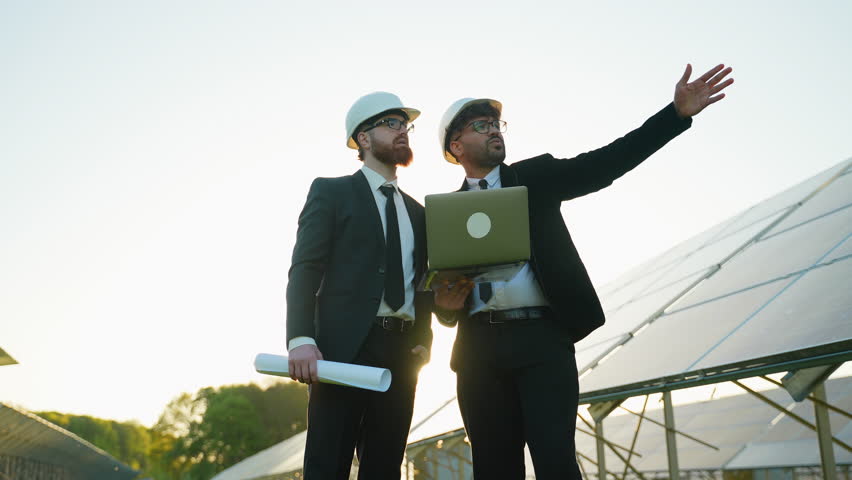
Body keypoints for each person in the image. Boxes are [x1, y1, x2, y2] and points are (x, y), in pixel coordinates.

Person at [434, 64, 734, 479]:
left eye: (496, 123)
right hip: (478, 352)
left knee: (556, 461)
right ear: (456, 145)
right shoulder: (442, 215)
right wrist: (445, 308)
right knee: (494, 468)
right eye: (480, 126)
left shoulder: (535, 177)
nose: (494, 130)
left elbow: (604, 164)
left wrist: (675, 115)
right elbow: (437, 290)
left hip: (543, 342)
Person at [285, 91, 433, 479]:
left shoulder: (419, 213)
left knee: (384, 468)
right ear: (363, 138)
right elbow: (305, 267)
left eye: (406, 125)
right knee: (327, 465)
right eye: (392, 123)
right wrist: (301, 338)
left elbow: (424, 283)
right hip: (341, 350)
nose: (403, 131)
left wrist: (424, 339)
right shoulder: (331, 192)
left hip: (402, 355)